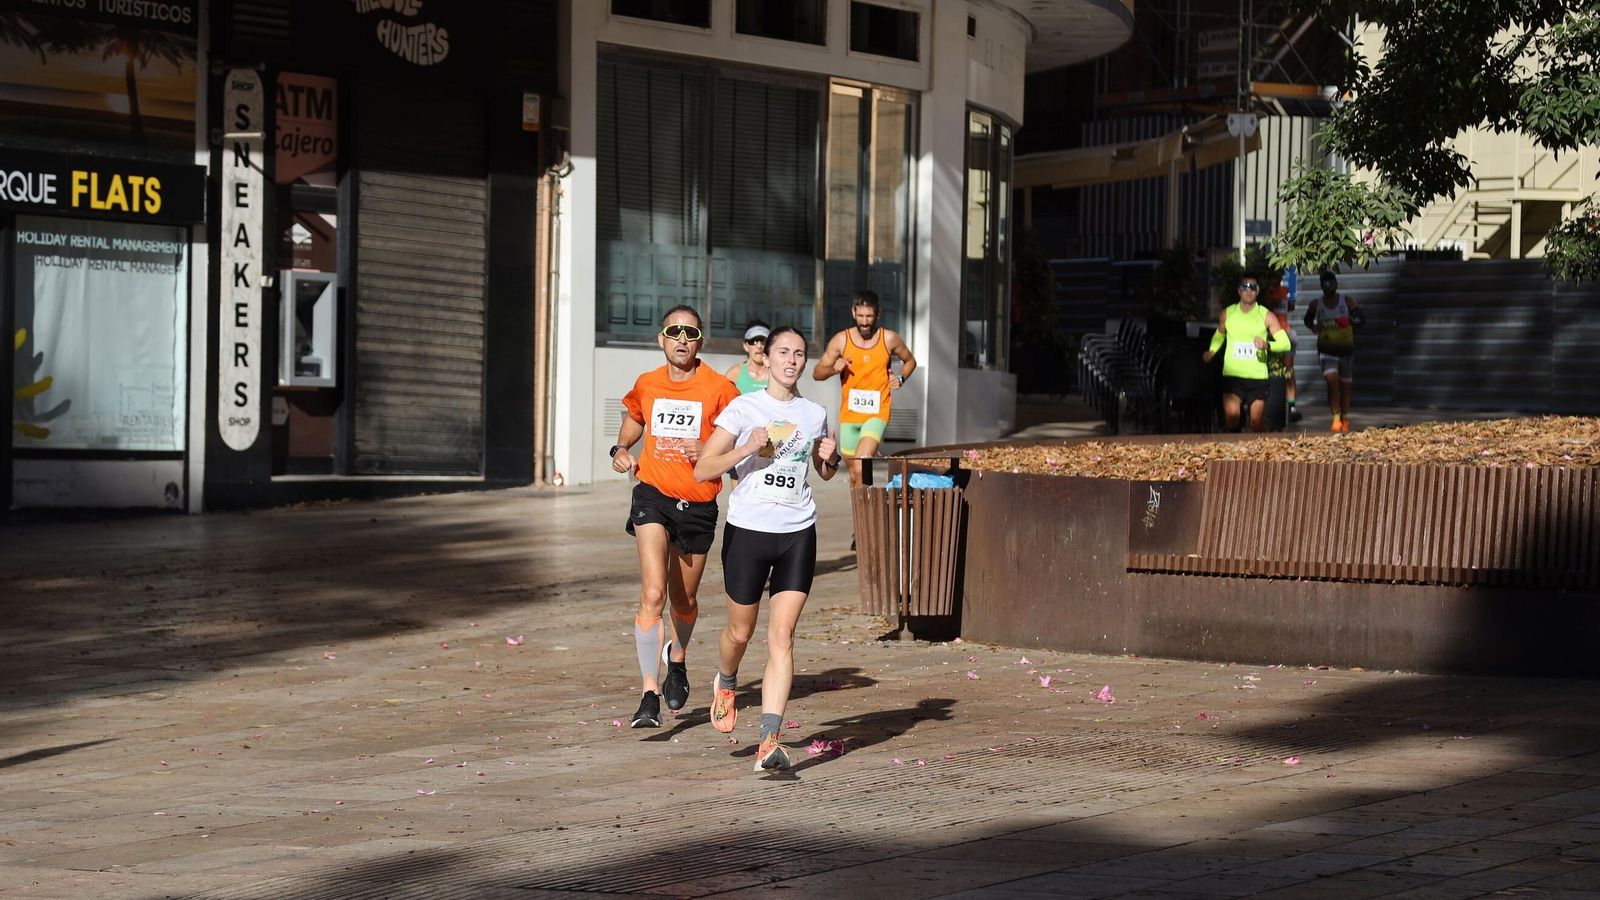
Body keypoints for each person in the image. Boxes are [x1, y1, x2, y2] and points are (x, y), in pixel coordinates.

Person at [693, 326, 840, 772]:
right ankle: (726, 680)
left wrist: (830, 458)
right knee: (740, 632)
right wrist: (746, 447)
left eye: (798, 353)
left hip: (798, 530)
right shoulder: (744, 407)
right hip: (749, 531)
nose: (792, 360)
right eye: (783, 352)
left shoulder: (815, 414)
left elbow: (824, 472)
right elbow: (703, 468)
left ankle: (768, 742)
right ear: (768, 358)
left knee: (782, 637)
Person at [610, 305, 740, 728]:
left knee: (683, 600)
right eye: (674, 331)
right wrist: (621, 450)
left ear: (700, 340)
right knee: (653, 592)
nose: (682, 339)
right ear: (661, 339)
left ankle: (677, 659)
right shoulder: (648, 383)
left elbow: (739, 443)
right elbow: (634, 419)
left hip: (698, 505)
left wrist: (709, 451)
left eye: (690, 332)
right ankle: (649, 693)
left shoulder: (720, 388)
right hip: (653, 495)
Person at [812, 290, 917, 487]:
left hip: (877, 413)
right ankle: (861, 515)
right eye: (860, 316)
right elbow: (817, 373)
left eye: (869, 316)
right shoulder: (842, 340)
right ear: (853, 313)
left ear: (878, 314)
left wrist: (901, 378)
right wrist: (834, 369)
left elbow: (910, 361)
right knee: (854, 472)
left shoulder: (889, 339)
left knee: (861, 464)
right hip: (850, 415)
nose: (865, 322)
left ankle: (868, 514)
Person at [1203, 274, 1291, 432]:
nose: (1249, 291)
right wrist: (1212, 350)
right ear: (1239, 291)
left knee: (1256, 423)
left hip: (1257, 377)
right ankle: (1235, 445)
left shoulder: (1266, 316)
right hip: (1232, 375)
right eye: (1245, 287)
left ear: (1257, 292)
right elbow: (1219, 334)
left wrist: (1267, 345)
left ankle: (1259, 451)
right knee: (1232, 418)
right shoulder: (1227, 313)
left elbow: (1285, 344)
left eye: (1253, 287)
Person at [1304, 270, 1365, 432]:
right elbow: (1307, 319)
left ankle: (1345, 417)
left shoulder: (1347, 301)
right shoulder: (1316, 304)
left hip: (1345, 350)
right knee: (1331, 381)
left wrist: (1349, 321)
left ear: (1336, 284)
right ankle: (1335, 418)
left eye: (1331, 283)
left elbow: (1361, 319)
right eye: (1325, 284)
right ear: (1321, 286)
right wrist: (1313, 326)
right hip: (1326, 350)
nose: (1329, 287)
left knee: (1345, 386)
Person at [724, 322, 770, 395]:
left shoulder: (778, 374)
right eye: (754, 341)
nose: (759, 346)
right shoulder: (734, 373)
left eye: (763, 341)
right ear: (745, 345)